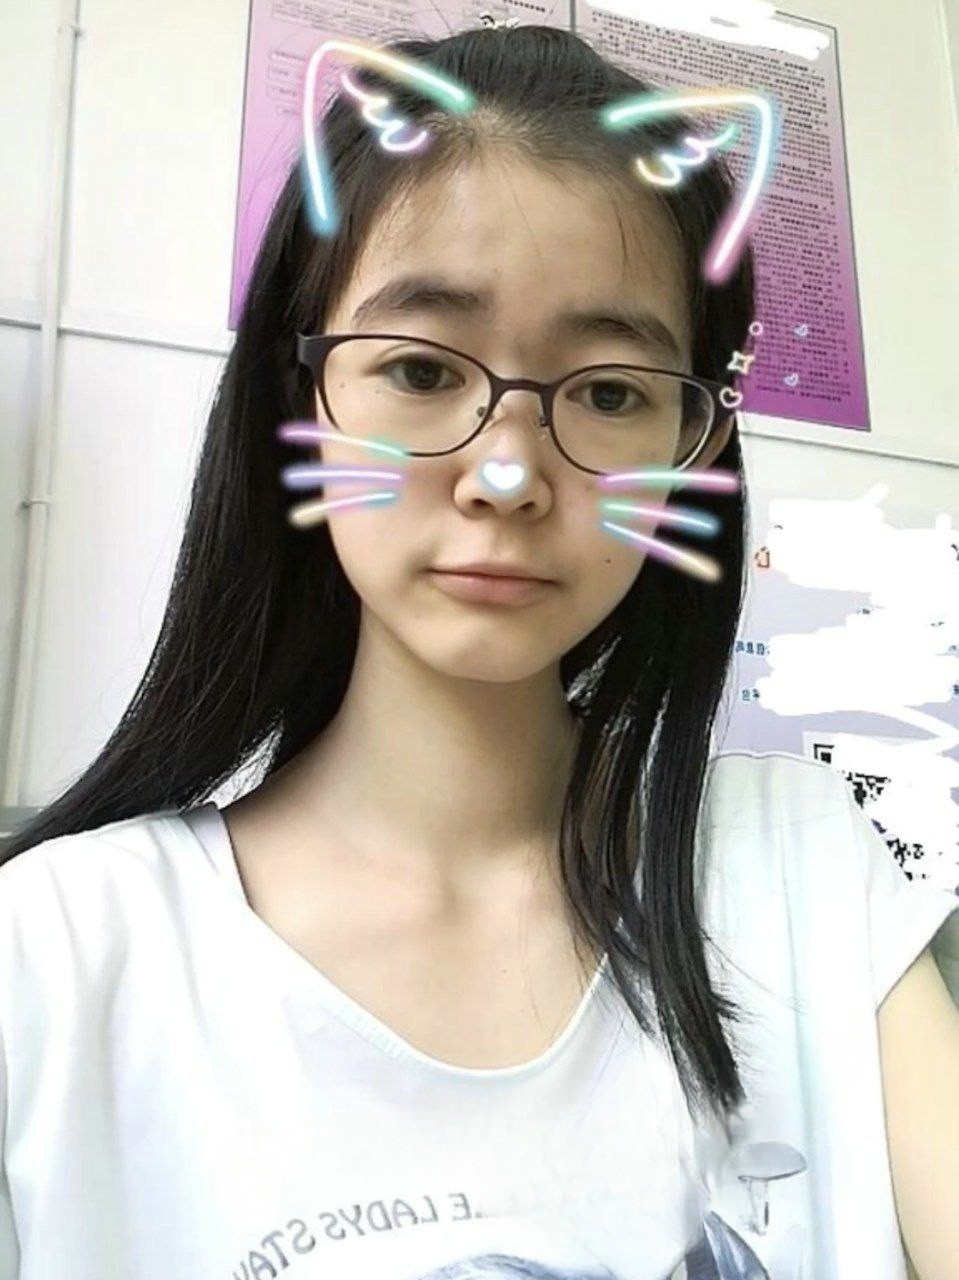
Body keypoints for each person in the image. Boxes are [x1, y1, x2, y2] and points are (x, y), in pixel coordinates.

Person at [1, 21, 956, 1280]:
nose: (506, 475)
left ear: (694, 449)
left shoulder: (799, 869)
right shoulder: (53, 952)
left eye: (609, 392)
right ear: (300, 397)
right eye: (417, 368)